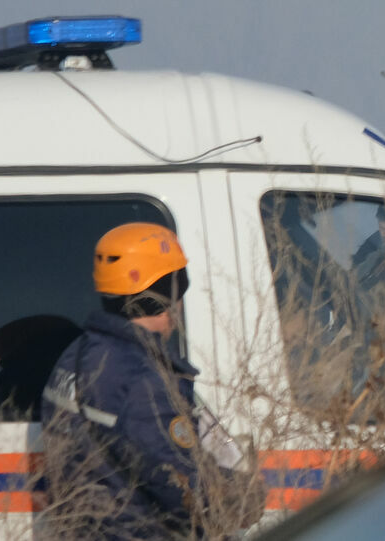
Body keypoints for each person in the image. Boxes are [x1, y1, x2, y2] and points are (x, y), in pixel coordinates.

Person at [36, 223, 259, 539]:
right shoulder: (144, 380)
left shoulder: (76, 354)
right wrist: (237, 499)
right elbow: (177, 482)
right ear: (169, 292)